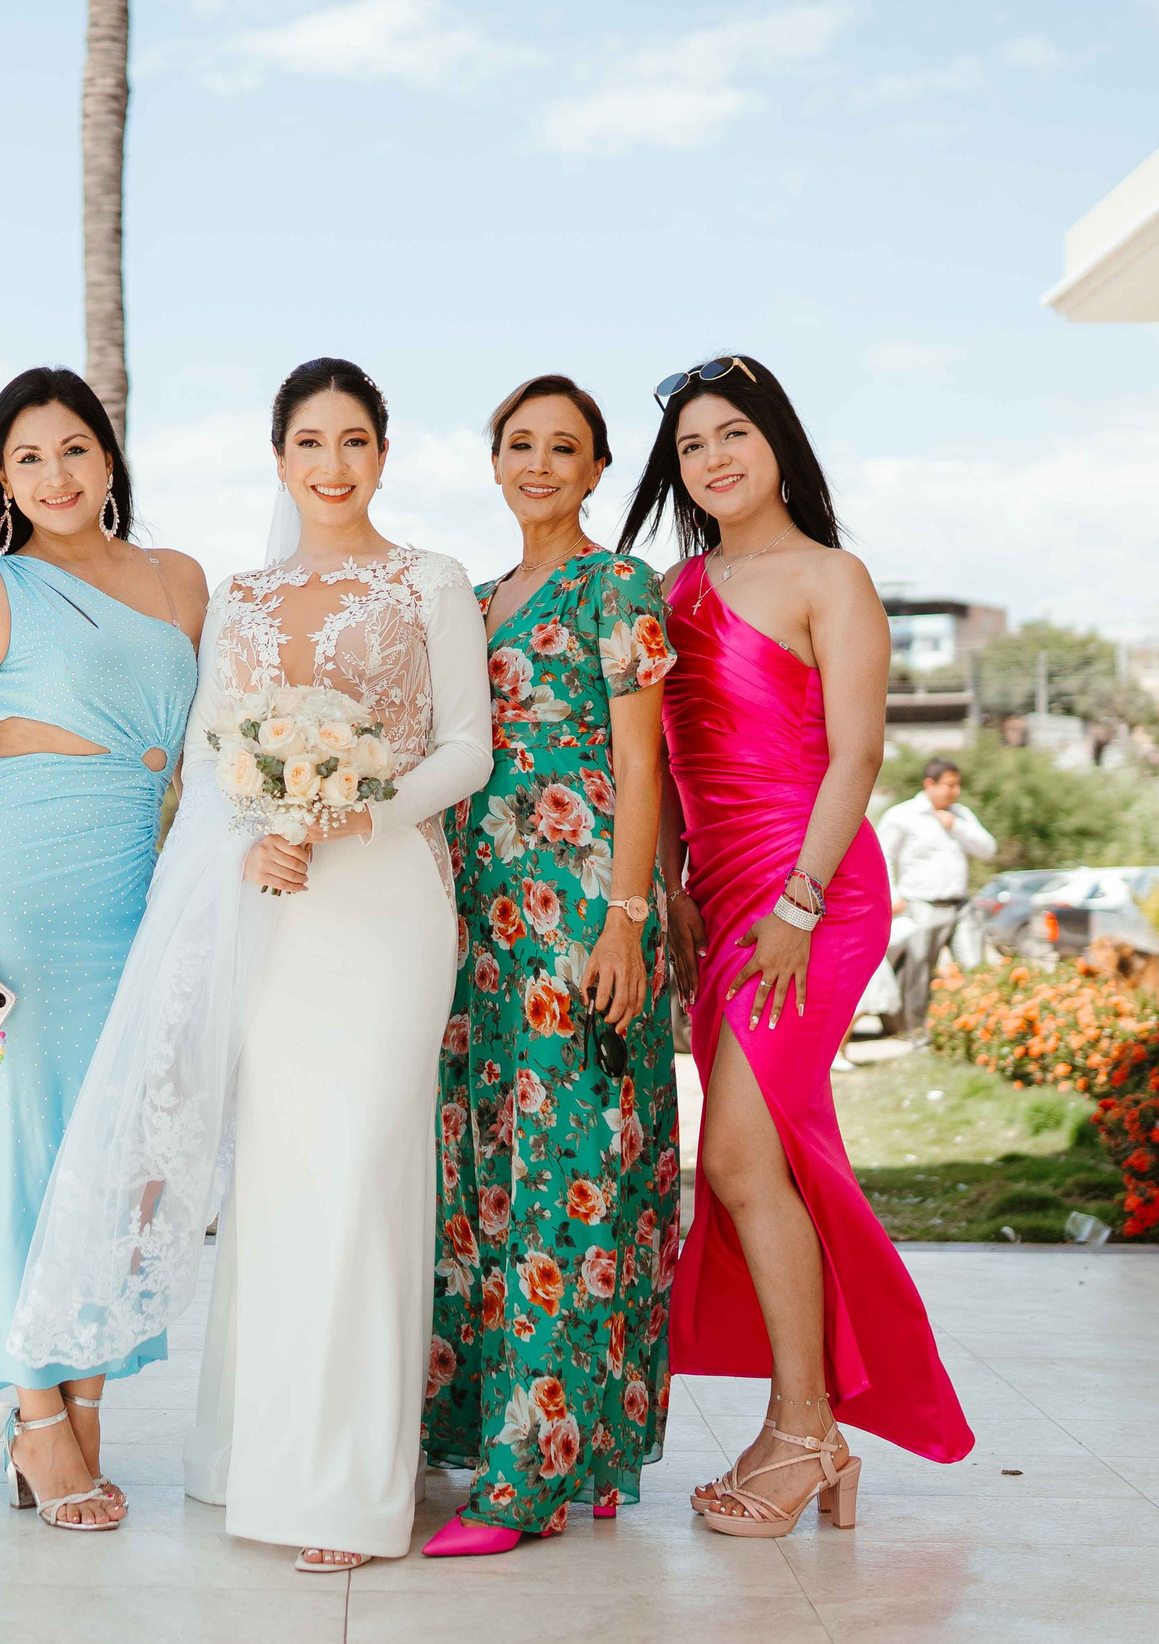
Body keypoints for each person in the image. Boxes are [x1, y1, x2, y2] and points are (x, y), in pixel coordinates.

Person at [10, 358, 490, 1572]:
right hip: (267, 893)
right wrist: (268, 825)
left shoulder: (428, 580)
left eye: (355, 441)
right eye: (309, 444)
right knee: (282, 1180)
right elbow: (221, 742)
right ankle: (251, 1458)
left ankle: (342, 1489)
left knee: (361, 1174)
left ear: (383, 453)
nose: (332, 465)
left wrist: (349, 813)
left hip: (384, 898)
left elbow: (466, 753)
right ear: (278, 459)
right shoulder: (243, 592)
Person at [622, 354, 973, 1540]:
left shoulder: (833, 577)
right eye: (689, 448)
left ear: (777, 442)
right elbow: (660, 761)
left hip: (811, 899)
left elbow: (859, 756)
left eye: (733, 435)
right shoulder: (669, 593)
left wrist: (799, 907)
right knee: (766, 1160)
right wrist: (666, 892)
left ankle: (808, 1425)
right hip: (718, 902)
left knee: (732, 1156)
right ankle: (807, 1427)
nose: (713, 460)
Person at [0, 367, 207, 1532]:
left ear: (108, 460)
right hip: (10, 890)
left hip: (137, 893)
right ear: (3, 479)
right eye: (28, 459)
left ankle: (83, 1387)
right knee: (20, 1152)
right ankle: (35, 1415)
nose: (55, 475)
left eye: (74, 450)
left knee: (121, 1158)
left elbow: (205, 759)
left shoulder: (180, 583)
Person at [422, 375, 680, 1557]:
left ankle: (535, 1477)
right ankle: (585, 1447)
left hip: (579, 915)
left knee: (570, 1181)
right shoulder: (468, 603)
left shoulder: (615, 585)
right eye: (517, 444)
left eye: (561, 447)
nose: (536, 462)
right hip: (480, 921)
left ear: (596, 468)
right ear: (493, 462)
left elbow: (644, 765)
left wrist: (625, 919)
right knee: (494, 1179)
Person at [877, 757, 996, 1034]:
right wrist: (892, 895)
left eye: (958, 785)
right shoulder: (902, 815)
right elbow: (882, 855)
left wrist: (957, 826)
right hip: (922, 904)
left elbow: (988, 849)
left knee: (974, 969)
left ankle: (976, 1032)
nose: (954, 791)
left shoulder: (961, 815)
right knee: (919, 972)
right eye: (949, 785)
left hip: (960, 905)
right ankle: (917, 1035)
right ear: (929, 784)